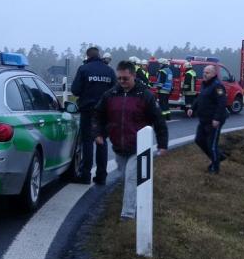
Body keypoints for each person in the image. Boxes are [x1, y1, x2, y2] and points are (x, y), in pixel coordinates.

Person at [93, 61, 168, 220]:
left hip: (139, 147)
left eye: (125, 78)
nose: (122, 81)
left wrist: (162, 144)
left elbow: (158, 120)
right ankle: (138, 201)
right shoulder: (110, 95)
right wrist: (98, 133)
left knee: (131, 177)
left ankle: (127, 214)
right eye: (119, 78)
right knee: (125, 178)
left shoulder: (145, 95)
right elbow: (98, 115)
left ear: (133, 75)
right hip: (119, 146)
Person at [71, 46, 116, 185]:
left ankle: (85, 175)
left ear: (87, 56)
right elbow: (115, 91)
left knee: (87, 142)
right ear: (99, 55)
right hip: (104, 112)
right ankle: (101, 176)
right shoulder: (109, 70)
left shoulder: (84, 69)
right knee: (102, 142)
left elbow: (75, 90)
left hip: (88, 111)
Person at [186, 65, 228, 174]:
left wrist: (217, 118)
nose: (204, 74)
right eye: (204, 72)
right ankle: (218, 157)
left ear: (214, 74)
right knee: (199, 140)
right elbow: (200, 98)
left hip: (214, 120)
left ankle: (215, 167)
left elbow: (222, 102)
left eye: (207, 72)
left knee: (211, 144)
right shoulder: (205, 84)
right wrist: (192, 108)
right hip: (204, 119)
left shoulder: (217, 86)